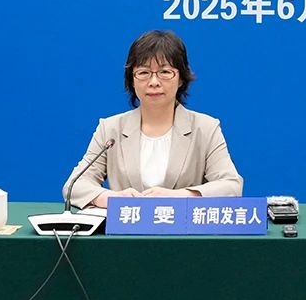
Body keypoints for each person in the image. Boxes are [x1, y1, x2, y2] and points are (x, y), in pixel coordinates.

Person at [63, 30, 243, 209]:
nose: (154, 82)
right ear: (132, 80)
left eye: (165, 72)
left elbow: (231, 186)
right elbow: (75, 185)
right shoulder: (110, 129)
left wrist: (181, 196)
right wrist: (111, 198)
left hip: (183, 227)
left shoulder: (205, 128)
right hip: (125, 225)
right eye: (144, 73)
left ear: (181, 78)